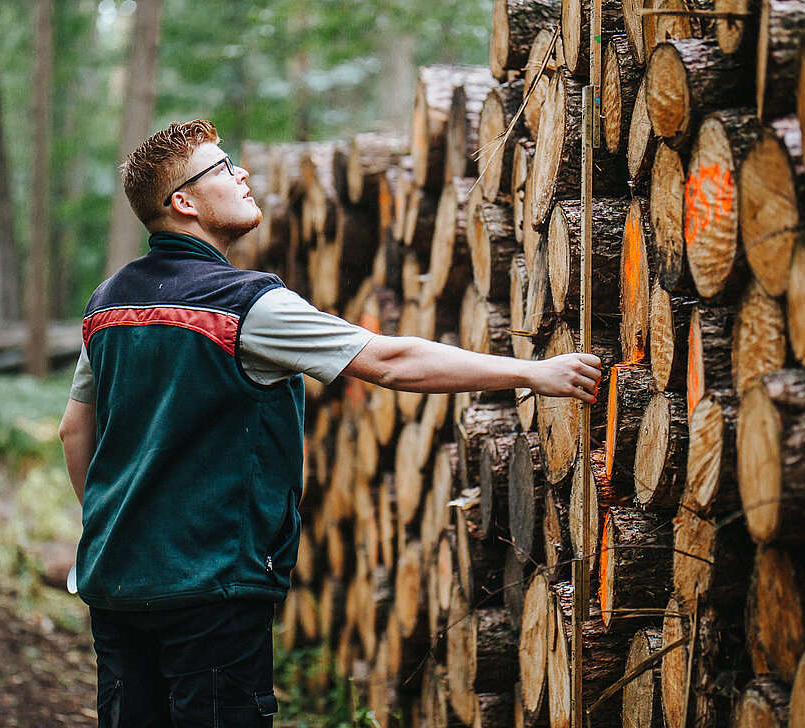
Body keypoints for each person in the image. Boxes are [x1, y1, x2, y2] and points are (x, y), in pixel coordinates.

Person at [58, 119, 601, 728]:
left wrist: (113, 528)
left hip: (116, 582)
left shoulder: (106, 304)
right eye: (222, 167)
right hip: (210, 588)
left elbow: (74, 430)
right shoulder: (246, 305)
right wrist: (532, 372)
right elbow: (390, 362)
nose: (240, 174)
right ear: (184, 202)